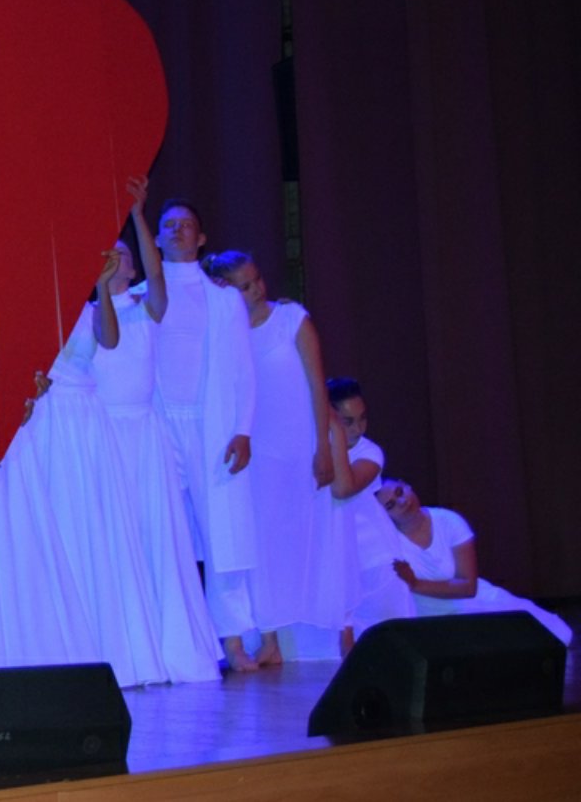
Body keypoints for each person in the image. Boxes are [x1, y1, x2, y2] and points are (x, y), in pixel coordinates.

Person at [8, 248, 167, 687]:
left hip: (87, 421)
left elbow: (109, 341)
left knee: (95, 525)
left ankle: (109, 646)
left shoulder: (89, 307)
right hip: (49, 420)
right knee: (58, 523)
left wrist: (99, 285)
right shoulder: (30, 306)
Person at [93, 177, 221, 682]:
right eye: (108, 255)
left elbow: (157, 276)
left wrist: (137, 215)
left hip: (144, 437)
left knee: (155, 536)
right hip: (106, 438)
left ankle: (167, 643)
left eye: (122, 255)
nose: (116, 259)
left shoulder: (148, 308)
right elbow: (103, 343)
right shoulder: (89, 316)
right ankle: (124, 645)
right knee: (116, 538)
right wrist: (100, 286)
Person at [206, 250, 354, 665]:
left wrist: (322, 447)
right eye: (244, 286)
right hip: (260, 454)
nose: (256, 289)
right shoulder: (225, 334)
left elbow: (316, 386)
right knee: (264, 544)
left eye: (257, 280)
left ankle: (326, 634)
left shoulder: (291, 319)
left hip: (300, 447)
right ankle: (269, 638)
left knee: (312, 535)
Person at [140, 199, 259, 671]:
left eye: (187, 225)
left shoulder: (224, 300)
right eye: (168, 225)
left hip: (210, 428)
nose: (177, 231)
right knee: (164, 534)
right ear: (156, 237)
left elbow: (244, 370)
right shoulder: (139, 296)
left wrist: (242, 429)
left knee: (222, 534)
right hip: (158, 425)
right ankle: (172, 644)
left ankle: (232, 642)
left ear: (201, 237)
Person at [379, 479, 572, 645]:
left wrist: (416, 584)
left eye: (400, 492)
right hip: (429, 620)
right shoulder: (387, 544)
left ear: (407, 486)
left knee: (551, 634)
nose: (402, 502)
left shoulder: (449, 521)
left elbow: (468, 587)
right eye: (390, 505)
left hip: (471, 605)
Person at [325, 377, 414, 648]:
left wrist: (335, 434)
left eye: (362, 418)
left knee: (394, 645)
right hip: (335, 560)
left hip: (376, 559)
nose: (358, 428)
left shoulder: (370, 452)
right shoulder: (311, 449)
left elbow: (343, 488)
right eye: (348, 421)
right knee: (340, 652)